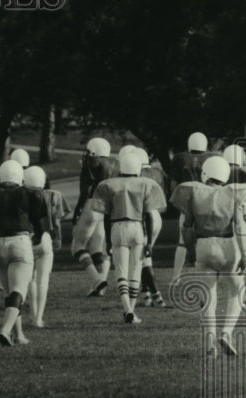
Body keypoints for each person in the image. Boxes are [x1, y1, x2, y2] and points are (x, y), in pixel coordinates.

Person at [169, 155, 246, 356]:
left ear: (205, 173)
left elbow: (186, 228)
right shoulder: (232, 193)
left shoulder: (195, 193)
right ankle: (226, 333)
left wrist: (191, 250)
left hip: (203, 246)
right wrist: (245, 252)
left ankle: (210, 346)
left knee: (209, 298)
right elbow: (239, 225)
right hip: (227, 246)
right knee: (238, 290)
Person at [89, 149, 167, 324]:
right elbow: (149, 216)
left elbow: (106, 216)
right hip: (137, 228)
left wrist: (108, 240)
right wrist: (149, 243)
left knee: (121, 271)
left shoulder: (109, 185)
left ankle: (127, 310)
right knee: (135, 271)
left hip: (117, 227)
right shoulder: (146, 184)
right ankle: (131, 311)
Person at [0, 160, 47, 347]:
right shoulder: (28, 193)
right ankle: (5, 330)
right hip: (20, 241)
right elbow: (39, 221)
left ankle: (19, 335)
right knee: (18, 291)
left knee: (9, 295)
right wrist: (38, 237)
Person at [22, 165, 71, 327]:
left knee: (30, 279)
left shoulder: (19, 196)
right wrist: (58, 237)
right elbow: (56, 221)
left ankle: (33, 313)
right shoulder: (52, 195)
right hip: (44, 238)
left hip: (27, 238)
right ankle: (38, 319)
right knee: (43, 281)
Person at [71, 137, 118, 296]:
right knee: (98, 248)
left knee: (77, 246)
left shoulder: (92, 163)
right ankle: (101, 287)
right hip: (107, 206)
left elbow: (85, 191)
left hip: (94, 203)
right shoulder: (115, 163)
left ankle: (97, 279)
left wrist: (77, 211)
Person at [133, 148, 169, 307]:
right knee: (145, 256)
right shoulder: (157, 172)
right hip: (156, 216)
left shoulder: (138, 174)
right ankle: (146, 292)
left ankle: (155, 294)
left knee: (143, 260)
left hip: (144, 216)